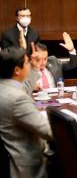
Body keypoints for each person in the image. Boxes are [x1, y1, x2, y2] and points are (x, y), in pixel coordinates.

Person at [0, 47, 52, 178]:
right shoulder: (18, 99)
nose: (29, 65)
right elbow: (48, 131)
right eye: (27, 63)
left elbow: (24, 88)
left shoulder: (5, 87)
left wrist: (34, 68)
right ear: (17, 70)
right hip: (28, 164)